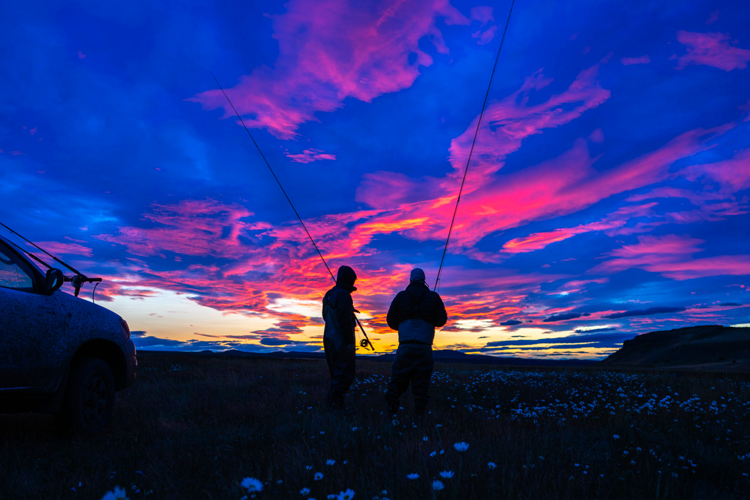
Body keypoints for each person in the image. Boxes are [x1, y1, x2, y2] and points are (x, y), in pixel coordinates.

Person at [384, 268, 447, 417]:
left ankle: (392, 415)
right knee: (422, 385)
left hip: (404, 346)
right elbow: (441, 320)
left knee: (397, 382)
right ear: (424, 280)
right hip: (424, 347)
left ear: (410, 280)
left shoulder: (401, 296)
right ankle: (419, 419)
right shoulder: (434, 297)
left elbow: (391, 321)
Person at [322, 265, 358, 412]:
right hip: (340, 341)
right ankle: (337, 407)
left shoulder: (329, 294)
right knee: (344, 374)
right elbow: (344, 321)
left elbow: (325, 316)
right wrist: (349, 342)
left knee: (336, 373)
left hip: (329, 338)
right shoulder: (344, 295)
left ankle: (333, 405)